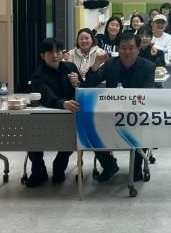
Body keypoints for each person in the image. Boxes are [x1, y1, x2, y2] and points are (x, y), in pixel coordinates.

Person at [84, 32, 155, 182]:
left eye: (131, 48)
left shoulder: (148, 66)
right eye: (123, 48)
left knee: (142, 127)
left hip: (136, 114)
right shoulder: (111, 64)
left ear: (138, 49)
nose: (127, 52)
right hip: (110, 114)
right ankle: (109, 165)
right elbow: (89, 84)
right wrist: (95, 65)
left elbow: (148, 93)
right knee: (90, 128)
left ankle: (136, 168)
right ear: (118, 49)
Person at [25, 38, 80, 187]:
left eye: (58, 51)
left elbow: (81, 92)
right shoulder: (38, 75)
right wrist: (63, 103)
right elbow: (47, 97)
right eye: (50, 52)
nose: (55, 55)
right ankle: (38, 171)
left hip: (69, 118)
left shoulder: (70, 67)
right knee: (32, 136)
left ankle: (59, 167)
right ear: (43, 55)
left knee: (72, 136)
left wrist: (77, 83)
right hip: (44, 118)